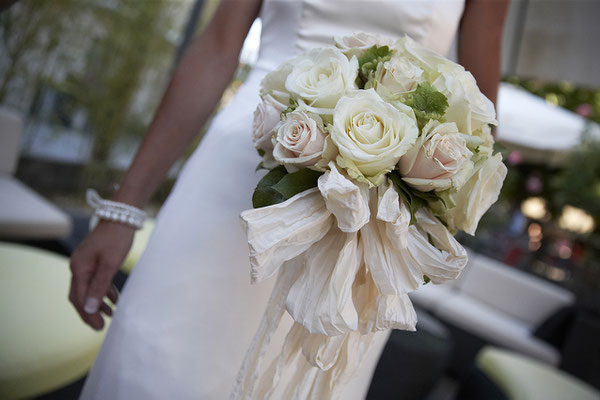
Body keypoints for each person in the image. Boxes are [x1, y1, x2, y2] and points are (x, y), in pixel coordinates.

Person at [70, 0, 509, 398]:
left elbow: (479, 114)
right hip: (247, 158)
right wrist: (122, 209)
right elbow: (218, 48)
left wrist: (428, 207)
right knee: (166, 353)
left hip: (372, 212)